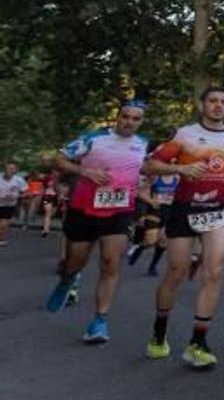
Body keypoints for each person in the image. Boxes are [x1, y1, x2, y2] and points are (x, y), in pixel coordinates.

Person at [143, 86, 224, 369]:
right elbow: (150, 166)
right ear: (201, 105)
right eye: (212, 101)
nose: (218, 106)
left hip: (216, 211)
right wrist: (180, 169)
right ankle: (158, 333)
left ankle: (197, 344)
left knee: (213, 272)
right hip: (184, 209)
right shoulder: (184, 135)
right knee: (176, 272)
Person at [44, 101, 149, 343]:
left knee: (111, 263)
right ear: (117, 116)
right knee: (74, 263)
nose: (129, 122)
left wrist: (145, 184)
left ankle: (99, 322)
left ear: (141, 121)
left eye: (136, 118)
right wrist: (85, 172)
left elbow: (150, 169)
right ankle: (67, 280)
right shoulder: (94, 138)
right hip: (84, 210)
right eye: (125, 116)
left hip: (119, 212)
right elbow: (58, 160)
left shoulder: (143, 144)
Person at [126, 170, 179, 275]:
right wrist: (151, 201)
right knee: (151, 241)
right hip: (155, 212)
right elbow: (139, 193)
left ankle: (152, 267)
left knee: (163, 241)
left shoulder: (177, 178)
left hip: (169, 212)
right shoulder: (155, 177)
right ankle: (139, 249)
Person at [0, 160, 28, 246]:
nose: (9, 170)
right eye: (7, 168)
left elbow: (25, 192)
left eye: (12, 169)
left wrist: (18, 196)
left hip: (9, 205)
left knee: (3, 223)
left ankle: (1, 238)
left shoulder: (19, 180)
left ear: (16, 170)